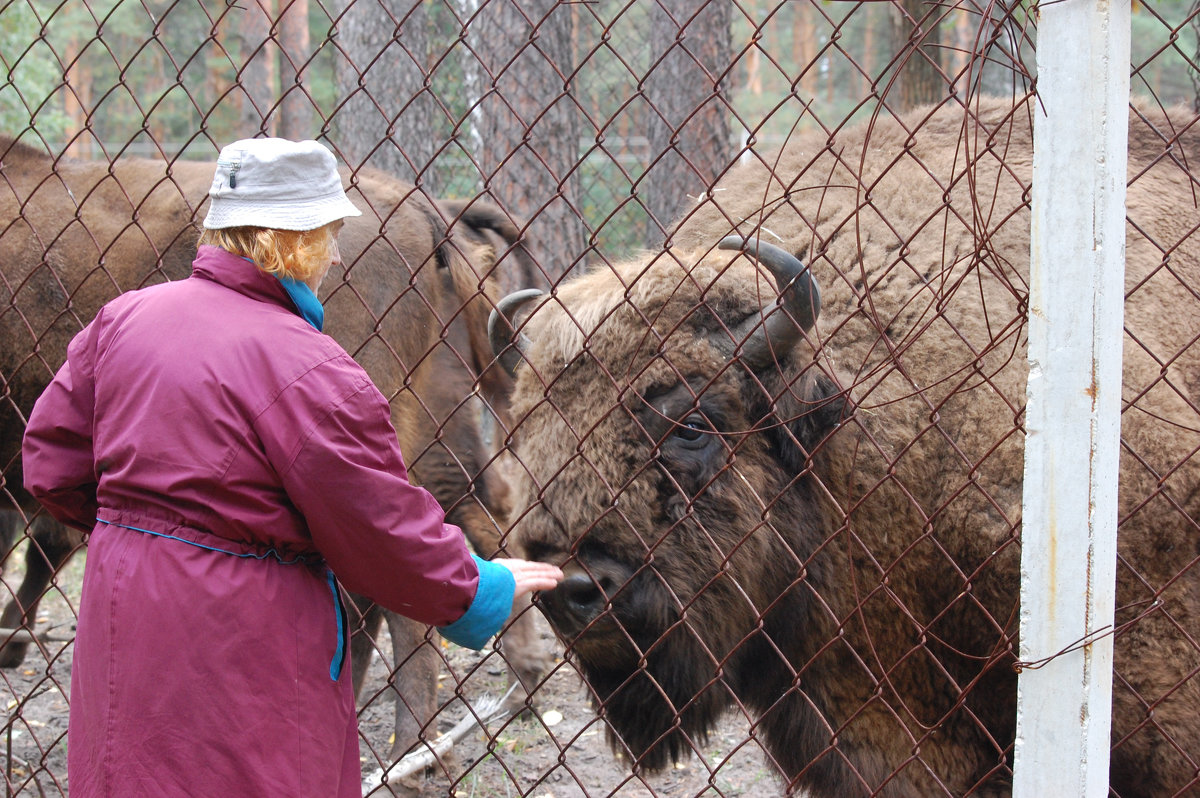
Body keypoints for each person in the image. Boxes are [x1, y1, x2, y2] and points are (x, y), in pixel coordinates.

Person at [21, 137, 563, 797]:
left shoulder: (121, 319)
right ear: (294, 241)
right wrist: (482, 590)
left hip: (124, 622)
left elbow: (48, 462)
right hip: (247, 644)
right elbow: (380, 529)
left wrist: (142, 531)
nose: (336, 254)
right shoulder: (314, 370)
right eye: (328, 235)